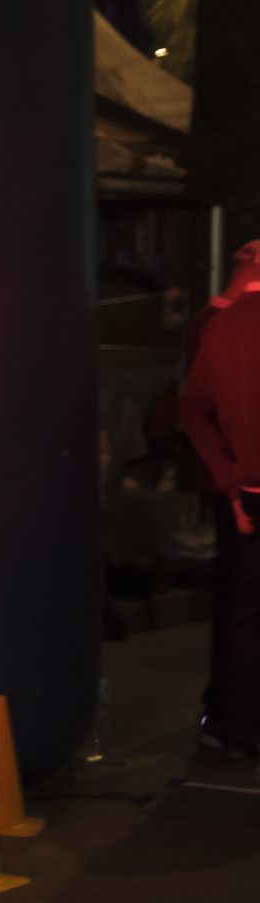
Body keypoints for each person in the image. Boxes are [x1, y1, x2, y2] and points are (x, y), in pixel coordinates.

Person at [181, 239, 260, 761]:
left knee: (242, 610)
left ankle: (233, 726)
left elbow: (193, 406)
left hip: (245, 491)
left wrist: (230, 479)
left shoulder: (224, 325)